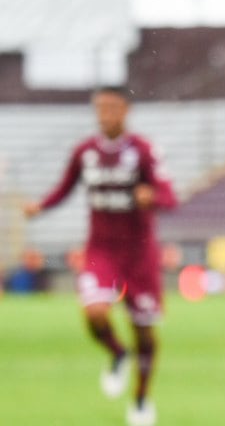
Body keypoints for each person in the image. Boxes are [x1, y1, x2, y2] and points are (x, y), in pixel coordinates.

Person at [22, 85, 176, 426]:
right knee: (94, 312)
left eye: (112, 108)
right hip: (101, 250)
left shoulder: (144, 151)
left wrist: (151, 197)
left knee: (144, 332)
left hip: (139, 255)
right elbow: (64, 188)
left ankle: (140, 399)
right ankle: (118, 353)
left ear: (126, 110)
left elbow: (170, 197)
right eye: (100, 108)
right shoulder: (85, 151)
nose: (105, 115)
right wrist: (40, 207)